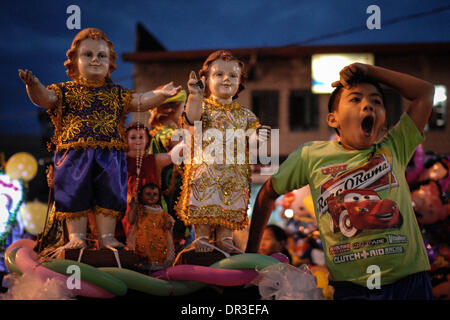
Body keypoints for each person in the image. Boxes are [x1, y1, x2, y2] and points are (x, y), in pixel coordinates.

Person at [247, 63, 435, 300]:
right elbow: (266, 193)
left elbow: (425, 92)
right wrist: (250, 256)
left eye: (376, 101)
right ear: (332, 119)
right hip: (352, 289)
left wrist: (369, 71)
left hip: (410, 284)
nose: (367, 104)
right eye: (355, 99)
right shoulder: (310, 156)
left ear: (383, 119)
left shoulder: (395, 146)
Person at [18, 28, 181, 250]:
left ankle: (106, 237)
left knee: (109, 193)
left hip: (110, 154)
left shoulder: (117, 93)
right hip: (74, 154)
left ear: (110, 62)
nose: (95, 60)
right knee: (74, 191)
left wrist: (161, 94)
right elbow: (45, 99)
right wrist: (33, 85)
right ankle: (77, 236)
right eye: (88, 55)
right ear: (75, 61)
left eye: (101, 56)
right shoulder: (65, 91)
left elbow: (141, 101)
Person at [176, 50, 269, 253]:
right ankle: (201, 237)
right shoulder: (202, 106)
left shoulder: (246, 114)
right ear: (206, 79)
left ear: (240, 82)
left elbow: (252, 141)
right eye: (219, 74)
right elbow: (192, 119)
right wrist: (194, 96)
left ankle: (226, 239)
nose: (226, 79)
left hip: (234, 173)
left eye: (233, 75)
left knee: (231, 204)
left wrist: (258, 137)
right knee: (204, 199)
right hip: (205, 168)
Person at [148, 90, 191, 250]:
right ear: (171, 109)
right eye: (183, 106)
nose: (185, 110)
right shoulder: (169, 132)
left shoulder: (158, 132)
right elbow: (183, 146)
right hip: (170, 187)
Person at [123, 122, 175, 241]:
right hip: (129, 202)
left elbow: (172, 156)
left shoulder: (153, 159)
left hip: (152, 203)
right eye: (133, 137)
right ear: (126, 139)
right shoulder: (121, 159)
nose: (138, 141)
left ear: (147, 140)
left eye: (141, 137)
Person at [127, 183, 175, 270]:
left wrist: (168, 224)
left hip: (160, 244)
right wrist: (133, 208)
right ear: (141, 196)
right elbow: (131, 221)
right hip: (142, 243)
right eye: (148, 194)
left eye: (155, 194)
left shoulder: (162, 212)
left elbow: (169, 222)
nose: (152, 197)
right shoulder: (140, 210)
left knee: (159, 264)